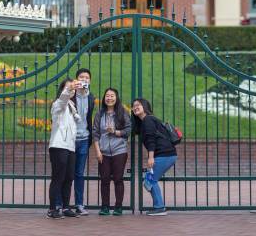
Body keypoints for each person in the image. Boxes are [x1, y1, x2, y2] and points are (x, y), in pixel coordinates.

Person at [131, 98, 177, 216]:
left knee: (150, 180)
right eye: (133, 106)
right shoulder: (144, 122)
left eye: (138, 105)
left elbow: (151, 139)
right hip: (166, 154)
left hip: (164, 154)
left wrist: (150, 157)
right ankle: (159, 206)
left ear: (145, 106)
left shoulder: (148, 119)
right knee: (149, 180)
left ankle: (160, 207)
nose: (135, 107)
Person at [92, 88, 132, 216]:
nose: (109, 98)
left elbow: (128, 130)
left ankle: (118, 207)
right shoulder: (100, 114)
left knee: (118, 179)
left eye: (112, 96)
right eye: (107, 96)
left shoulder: (122, 112)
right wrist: (98, 151)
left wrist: (115, 132)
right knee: (104, 179)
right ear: (104, 98)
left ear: (116, 97)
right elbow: (95, 133)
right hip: (103, 151)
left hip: (119, 150)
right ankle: (105, 207)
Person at [47, 78, 83, 219]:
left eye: (73, 88)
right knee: (58, 177)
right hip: (58, 145)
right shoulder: (58, 104)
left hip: (70, 147)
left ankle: (66, 207)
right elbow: (63, 100)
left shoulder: (72, 106)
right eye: (68, 88)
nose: (72, 90)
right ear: (63, 89)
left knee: (69, 177)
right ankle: (52, 209)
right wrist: (68, 89)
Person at [72, 68, 95, 216]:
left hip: (84, 139)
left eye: (87, 77)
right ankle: (60, 204)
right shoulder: (70, 94)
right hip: (70, 139)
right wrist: (71, 90)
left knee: (79, 173)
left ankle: (79, 204)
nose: (84, 79)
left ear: (90, 81)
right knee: (67, 172)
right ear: (77, 79)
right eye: (81, 77)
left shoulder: (91, 97)